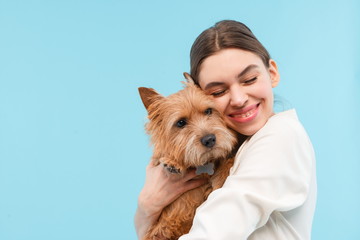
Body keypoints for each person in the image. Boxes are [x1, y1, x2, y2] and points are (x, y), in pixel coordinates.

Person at [135, 20, 317, 240]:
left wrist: (146, 207)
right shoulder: (237, 149)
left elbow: (214, 233)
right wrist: (147, 207)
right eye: (219, 91)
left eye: (249, 79)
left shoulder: (280, 137)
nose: (239, 100)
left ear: (272, 73)